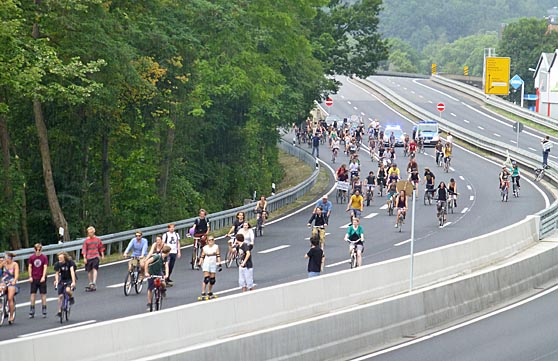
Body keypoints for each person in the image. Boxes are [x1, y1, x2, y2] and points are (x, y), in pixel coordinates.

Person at [144, 245, 171, 311]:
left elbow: (166, 266)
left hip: (159, 272)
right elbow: (147, 262)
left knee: (163, 282)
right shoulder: (157, 256)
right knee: (150, 288)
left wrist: (166, 275)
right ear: (168, 252)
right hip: (151, 273)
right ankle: (149, 303)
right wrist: (146, 272)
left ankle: (163, 290)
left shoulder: (165, 258)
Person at [197, 236, 221, 300]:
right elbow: (202, 256)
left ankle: (209, 292)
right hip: (206, 263)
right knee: (206, 279)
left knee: (212, 280)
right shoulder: (205, 248)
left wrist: (219, 264)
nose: (211, 241)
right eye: (209, 240)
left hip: (213, 263)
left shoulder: (216, 247)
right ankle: (203, 292)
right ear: (207, 241)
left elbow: (218, 255)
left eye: (212, 240)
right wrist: (199, 263)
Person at [53, 252, 76, 319]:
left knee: (68, 290)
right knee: (60, 296)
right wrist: (56, 280)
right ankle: (59, 311)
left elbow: (72, 272)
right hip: (63, 280)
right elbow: (57, 273)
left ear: (64, 258)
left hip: (69, 279)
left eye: (61, 258)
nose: (59, 259)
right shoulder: (58, 264)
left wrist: (73, 282)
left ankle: (71, 297)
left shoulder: (70, 263)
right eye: (59, 258)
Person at [82, 226, 105, 292]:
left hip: (95, 256)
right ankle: (90, 282)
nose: (90, 234)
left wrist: (102, 255)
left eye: (91, 232)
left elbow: (101, 247)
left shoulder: (97, 239)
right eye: (89, 233)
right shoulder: (86, 241)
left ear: (93, 232)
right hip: (89, 256)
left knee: (95, 268)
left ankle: (94, 282)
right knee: (89, 270)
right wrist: (84, 258)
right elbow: (84, 249)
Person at [28, 243, 48, 318]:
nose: (38, 251)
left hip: (41, 278)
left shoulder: (44, 257)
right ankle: (32, 309)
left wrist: (43, 276)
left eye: (39, 249)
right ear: (34, 249)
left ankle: (44, 309)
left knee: (43, 294)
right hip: (34, 277)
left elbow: (45, 267)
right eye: (37, 249)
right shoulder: (31, 258)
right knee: (33, 294)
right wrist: (30, 276)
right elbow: (30, 267)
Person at [2, 253, 19, 324]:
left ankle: (11, 315)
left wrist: (14, 280)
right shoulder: (4, 264)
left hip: (11, 281)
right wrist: (2, 263)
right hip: (4, 281)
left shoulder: (15, 264)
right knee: (1, 289)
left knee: (10, 298)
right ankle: (1, 307)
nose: (6, 259)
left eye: (7, 258)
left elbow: (16, 275)